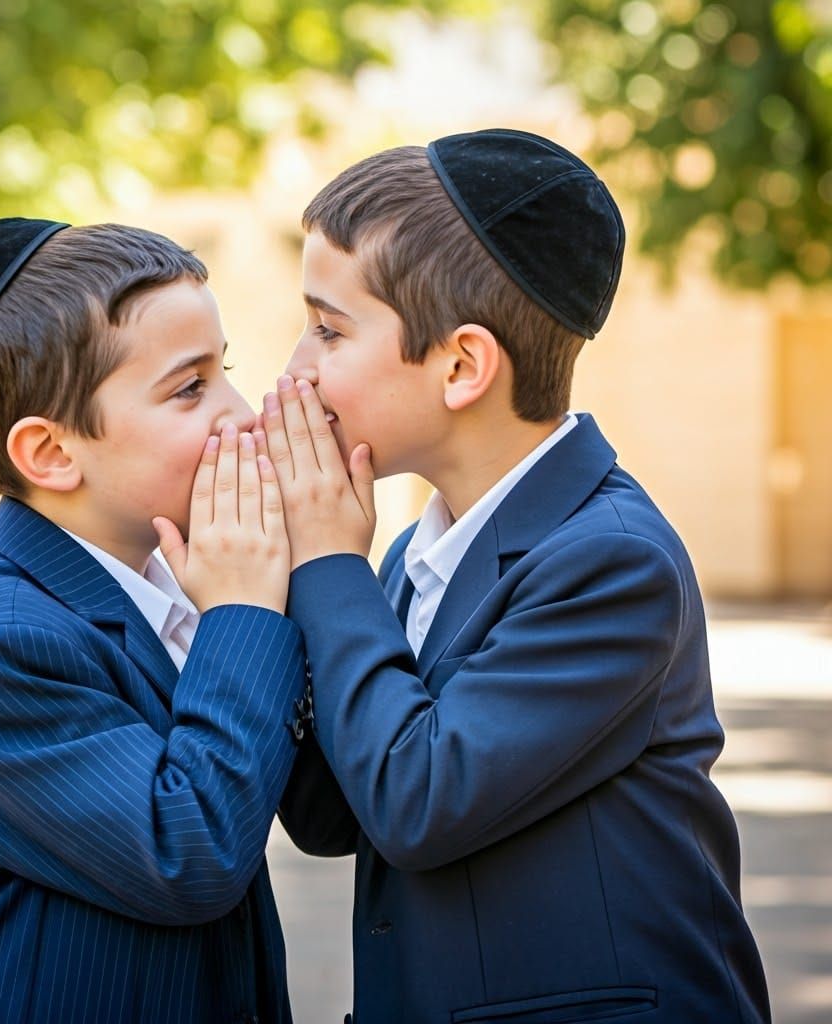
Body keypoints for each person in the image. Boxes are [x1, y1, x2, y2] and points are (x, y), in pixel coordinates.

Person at [257, 130, 771, 1023]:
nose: (297, 366)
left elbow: (417, 801)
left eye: (328, 329)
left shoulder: (611, 563)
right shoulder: (411, 556)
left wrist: (327, 563)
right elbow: (335, 817)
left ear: (462, 366)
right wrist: (248, 593)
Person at [0, 219, 309, 1024]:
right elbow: (186, 851)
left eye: (225, 371)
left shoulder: (176, 580)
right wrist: (246, 611)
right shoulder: (7, 645)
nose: (241, 411)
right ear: (50, 453)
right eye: (190, 389)